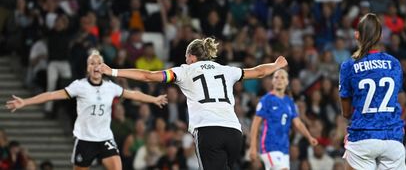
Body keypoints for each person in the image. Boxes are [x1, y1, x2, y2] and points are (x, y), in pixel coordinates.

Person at [97, 37, 288, 170]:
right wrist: (276, 65)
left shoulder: (185, 71)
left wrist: (113, 71)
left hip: (208, 131)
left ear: (192, 57)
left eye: (186, 57)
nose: (185, 60)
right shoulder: (227, 70)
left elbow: (148, 76)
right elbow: (258, 72)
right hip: (234, 134)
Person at [6, 50, 167, 170]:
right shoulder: (79, 86)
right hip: (85, 140)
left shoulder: (110, 87)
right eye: (92, 63)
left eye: (99, 63)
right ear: (87, 68)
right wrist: (25, 102)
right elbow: (52, 95)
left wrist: (154, 99)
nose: (96, 66)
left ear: (103, 67)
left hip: (105, 138)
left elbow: (133, 94)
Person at [339, 13, 406, 170]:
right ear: (380, 36)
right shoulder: (395, 64)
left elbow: (346, 112)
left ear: (357, 35)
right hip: (393, 138)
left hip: (363, 139)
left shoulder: (348, 66)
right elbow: (397, 99)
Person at [249, 69, 318, 170]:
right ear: (272, 81)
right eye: (276, 77)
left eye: (282, 77)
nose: (279, 80)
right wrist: (253, 146)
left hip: (284, 148)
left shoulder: (289, 101)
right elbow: (255, 124)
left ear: (287, 82)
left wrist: (309, 137)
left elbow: (298, 123)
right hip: (269, 146)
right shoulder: (266, 100)